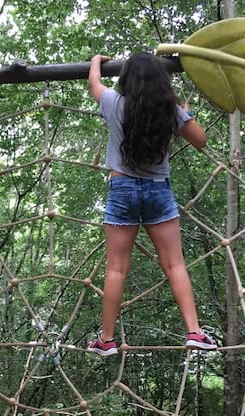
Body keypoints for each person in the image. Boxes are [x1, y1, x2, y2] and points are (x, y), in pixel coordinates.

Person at [86, 53, 217, 356]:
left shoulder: (113, 103)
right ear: (162, 82)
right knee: (175, 263)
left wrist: (96, 61)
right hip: (159, 191)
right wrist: (186, 112)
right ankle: (194, 332)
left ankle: (106, 339)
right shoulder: (169, 111)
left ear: (125, 79)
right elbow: (201, 140)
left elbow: (94, 83)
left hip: (122, 191)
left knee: (116, 268)